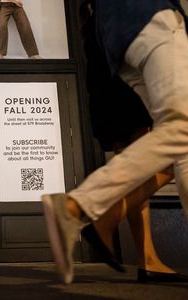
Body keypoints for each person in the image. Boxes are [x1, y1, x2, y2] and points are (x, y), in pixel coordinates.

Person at [42, 0, 188, 284]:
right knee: (182, 130)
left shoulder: (94, 19)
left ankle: (94, 214)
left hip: (117, 38)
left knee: (183, 142)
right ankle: (77, 207)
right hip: (147, 16)